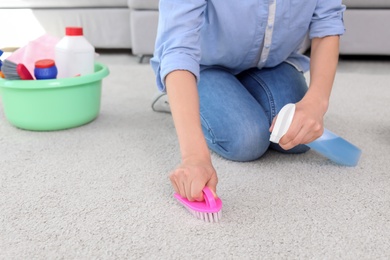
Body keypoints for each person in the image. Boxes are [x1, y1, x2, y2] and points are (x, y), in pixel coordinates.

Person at [150, 1, 346, 202]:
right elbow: (178, 49)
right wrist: (194, 157)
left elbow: (327, 22)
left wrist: (316, 102)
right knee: (247, 140)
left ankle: (240, 93)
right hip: (203, 66)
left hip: (271, 64)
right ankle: (179, 96)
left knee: (297, 140)